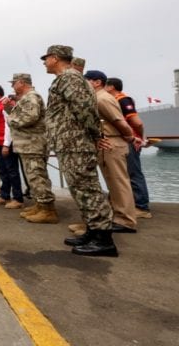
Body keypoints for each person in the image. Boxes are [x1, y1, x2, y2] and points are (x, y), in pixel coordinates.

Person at [43, 45, 117, 256]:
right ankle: (93, 231)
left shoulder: (69, 78)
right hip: (70, 143)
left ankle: (104, 240)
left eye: (46, 58)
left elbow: (84, 108)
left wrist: (95, 135)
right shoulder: (66, 78)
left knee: (87, 189)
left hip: (76, 143)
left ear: (55, 58)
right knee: (80, 189)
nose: (44, 62)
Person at [84, 70, 139, 233]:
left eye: (87, 80)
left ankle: (126, 221)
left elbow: (118, 121)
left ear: (97, 82)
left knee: (119, 182)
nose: (84, 83)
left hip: (112, 142)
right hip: (106, 142)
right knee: (113, 183)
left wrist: (130, 137)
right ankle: (118, 215)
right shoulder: (97, 98)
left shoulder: (102, 99)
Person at [5, 73, 58, 223]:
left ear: (21, 83)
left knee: (37, 176)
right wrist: (11, 110)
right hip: (27, 144)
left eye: (14, 83)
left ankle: (48, 210)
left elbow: (30, 117)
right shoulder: (25, 98)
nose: (12, 86)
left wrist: (10, 118)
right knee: (33, 177)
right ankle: (40, 205)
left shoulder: (31, 97)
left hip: (33, 144)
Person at [105, 77, 152, 219]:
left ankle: (141, 207)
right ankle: (128, 204)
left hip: (131, 141)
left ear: (111, 87)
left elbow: (136, 122)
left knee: (133, 173)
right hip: (124, 140)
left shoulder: (122, 100)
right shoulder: (114, 101)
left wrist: (140, 138)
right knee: (124, 174)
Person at [0, 84, 23, 209]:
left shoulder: (5, 105)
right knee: (3, 171)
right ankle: (4, 195)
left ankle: (18, 198)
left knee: (12, 171)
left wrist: (6, 145)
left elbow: (9, 125)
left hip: (6, 143)